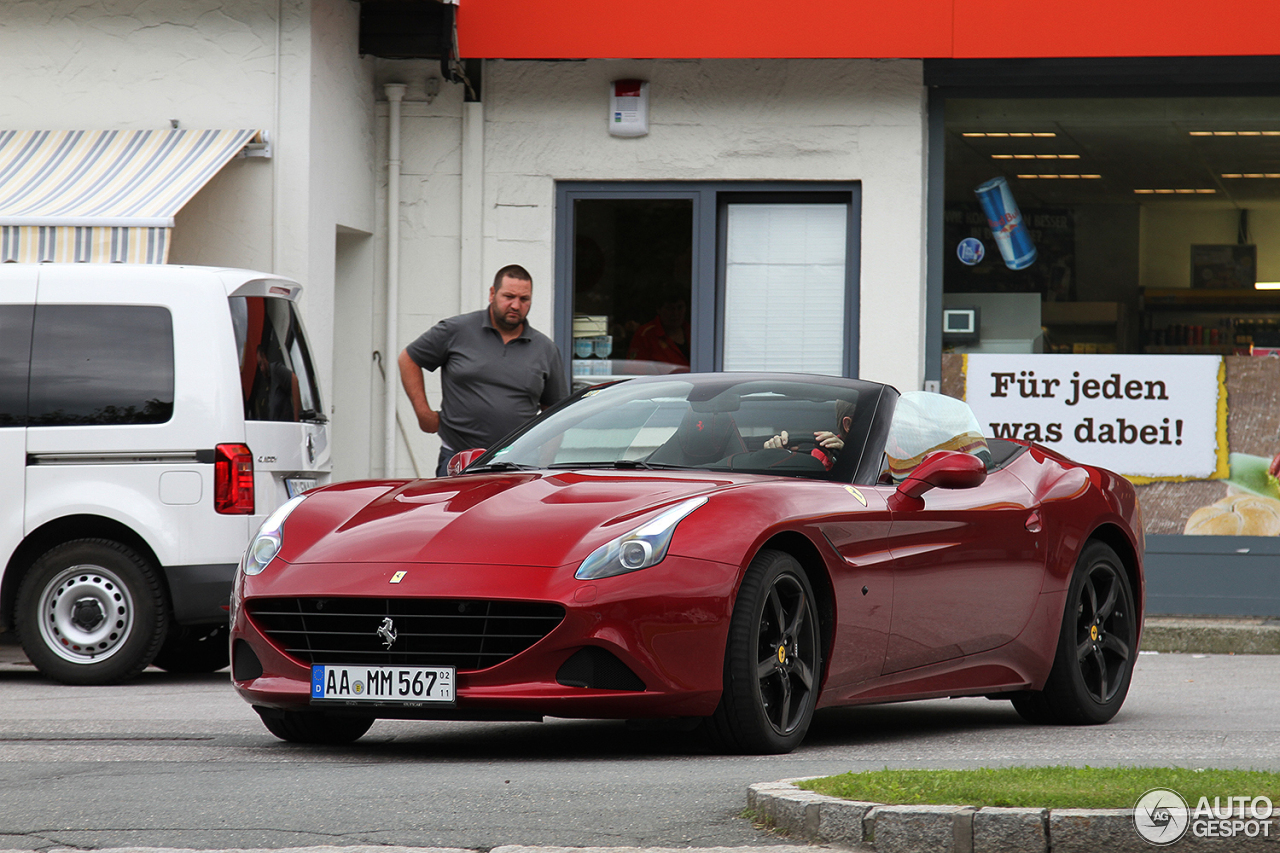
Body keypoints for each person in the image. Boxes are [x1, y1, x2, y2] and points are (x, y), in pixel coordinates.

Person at [398, 264, 569, 477]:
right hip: (459, 460)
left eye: (524, 299)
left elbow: (555, 413)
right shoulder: (456, 330)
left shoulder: (545, 349)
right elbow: (408, 358)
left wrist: (544, 464)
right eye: (508, 296)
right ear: (492, 293)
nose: (515, 305)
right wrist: (423, 414)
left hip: (519, 464)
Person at [763, 399, 857, 471]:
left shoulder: (870, 458)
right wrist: (776, 458)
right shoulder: (819, 459)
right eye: (870, 421)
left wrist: (849, 457)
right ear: (848, 424)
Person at [627, 296, 690, 370]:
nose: (675, 313)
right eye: (669, 309)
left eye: (680, 308)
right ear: (659, 310)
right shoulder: (645, 335)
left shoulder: (695, 331)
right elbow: (633, 372)